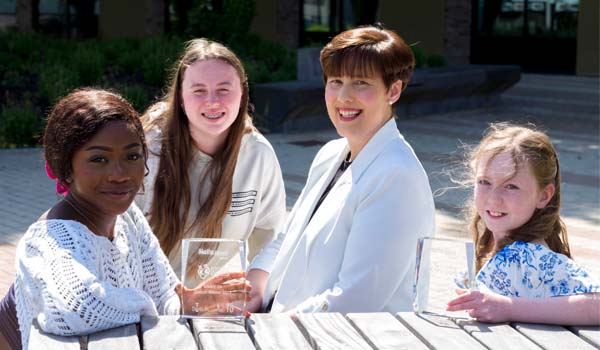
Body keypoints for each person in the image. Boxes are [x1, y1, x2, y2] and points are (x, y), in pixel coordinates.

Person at [13, 88, 250, 349]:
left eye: (132, 156)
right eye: (99, 159)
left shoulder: (129, 218)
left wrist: (188, 303)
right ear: (66, 168)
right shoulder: (47, 242)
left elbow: (164, 296)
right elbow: (80, 309)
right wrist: (150, 306)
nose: (119, 174)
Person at [248, 25, 436, 314]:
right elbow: (289, 240)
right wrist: (252, 288)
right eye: (336, 81)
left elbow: (354, 299)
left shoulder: (397, 176)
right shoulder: (331, 153)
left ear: (394, 91)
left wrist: (273, 328)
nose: (343, 96)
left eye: (361, 83)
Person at [135, 39, 286, 306]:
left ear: (243, 94)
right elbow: (118, 235)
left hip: (217, 306)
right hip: (149, 301)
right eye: (199, 90)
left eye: (224, 89)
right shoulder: (149, 150)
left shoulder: (258, 155)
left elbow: (271, 236)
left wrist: (256, 289)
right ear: (181, 98)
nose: (213, 101)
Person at [446, 123, 600, 325]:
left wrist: (508, 307)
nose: (494, 198)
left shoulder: (529, 256)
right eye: (485, 182)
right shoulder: (501, 250)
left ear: (543, 196)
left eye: (511, 186)